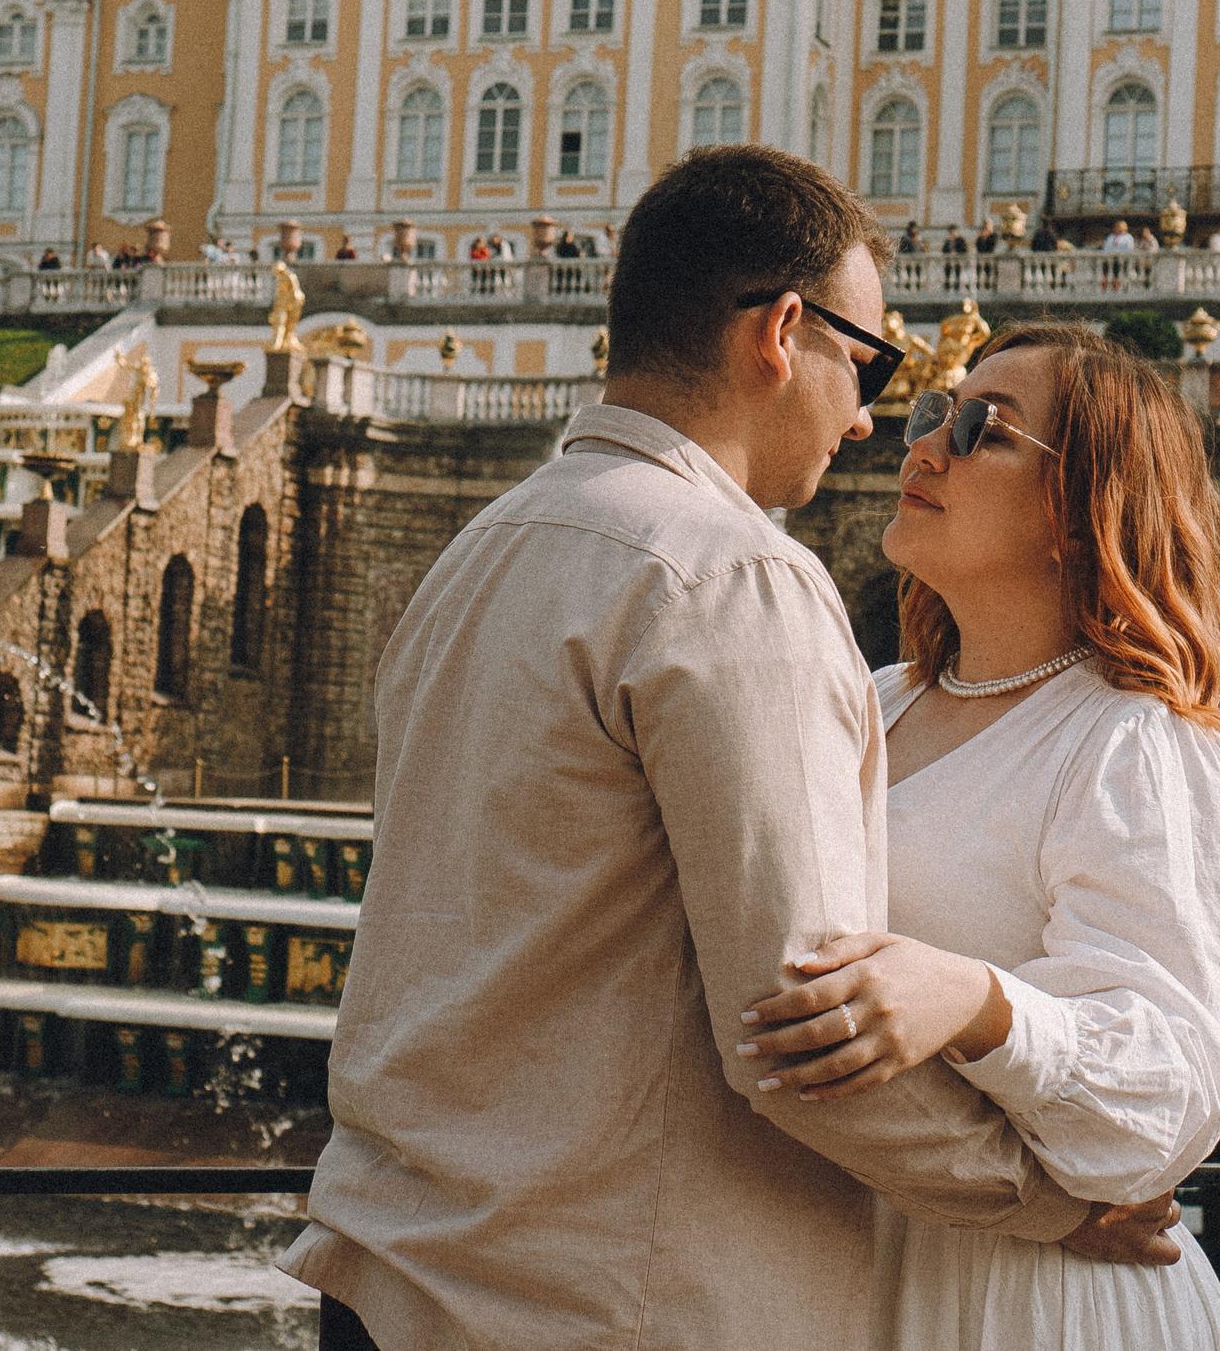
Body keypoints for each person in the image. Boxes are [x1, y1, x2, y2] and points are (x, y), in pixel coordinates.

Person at [281, 146, 1175, 1351]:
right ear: (783, 332)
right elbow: (795, 1027)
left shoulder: (485, 550)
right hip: (608, 1300)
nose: (868, 419)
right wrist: (1039, 1200)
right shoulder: (735, 580)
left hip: (394, 1271)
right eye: (871, 366)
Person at [742, 321, 1220, 1349]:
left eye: (985, 430)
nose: (926, 446)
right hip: (843, 1267)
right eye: (934, 413)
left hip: (1028, 1302)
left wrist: (977, 1005)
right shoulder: (870, 702)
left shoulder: (1139, 745)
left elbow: (1166, 1099)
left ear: (1079, 512)